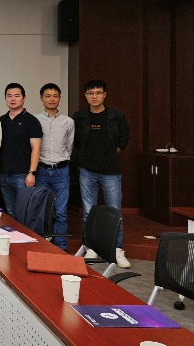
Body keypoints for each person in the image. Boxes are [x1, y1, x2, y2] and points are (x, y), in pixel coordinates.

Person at [73, 79, 131, 268]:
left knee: (114, 210)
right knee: (88, 211)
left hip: (111, 170)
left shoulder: (116, 115)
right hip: (87, 170)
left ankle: (117, 249)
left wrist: (112, 153)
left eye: (98, 93)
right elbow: (77, 141)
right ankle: (91, 247)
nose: (94, 96)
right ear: (85, 96)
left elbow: (124, 138)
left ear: (104, 95)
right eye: (91, 93)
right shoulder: (80, 117)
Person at [34, 83, 74, 252]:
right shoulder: (35, 120)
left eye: (55, 96)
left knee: (61, 212)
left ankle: (61, 248)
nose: (51, 99)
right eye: (48, 96)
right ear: (41, 98)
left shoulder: (68, 122)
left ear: (60, 98)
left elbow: (69, 147)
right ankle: (42, 247)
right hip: (41, 170)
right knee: (40, 211)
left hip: (61, 171)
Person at [0, 83, 42, 215]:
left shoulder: (32, 121)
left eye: (17, 96)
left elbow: (36, 148)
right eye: (9, 96)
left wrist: (32, 172)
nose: (13, 99)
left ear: (24, 98)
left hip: (23, 175)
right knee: (10, 212)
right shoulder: (0, 121)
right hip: (3, 174)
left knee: (25, 212)